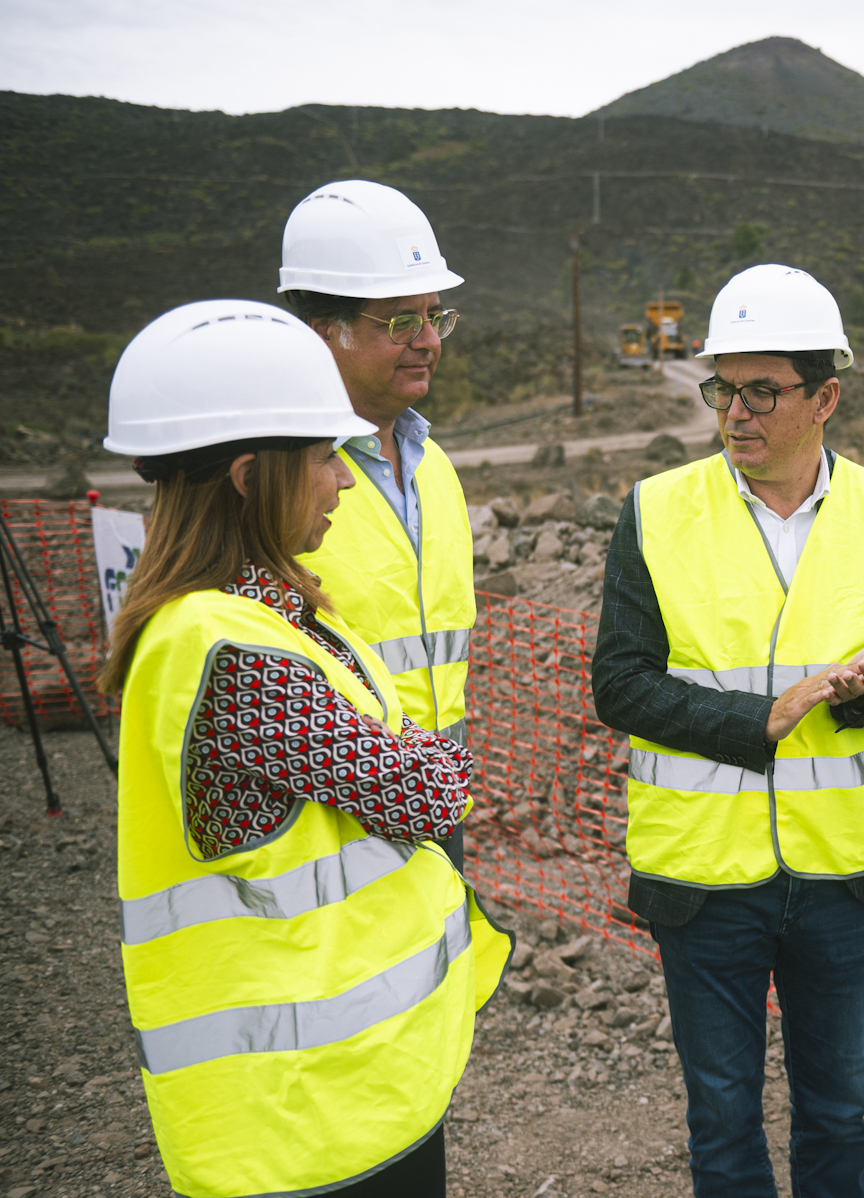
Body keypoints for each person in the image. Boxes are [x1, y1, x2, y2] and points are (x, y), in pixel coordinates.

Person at [100, 300, 510, 1198]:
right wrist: (425, 755)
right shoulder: (235, 650)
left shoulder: (266, 618)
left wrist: (412, 753)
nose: (346, 483)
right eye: (325, 458)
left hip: (345, 1089)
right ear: (251, 476)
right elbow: (430, 791)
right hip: (299, 1113)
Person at [589, 264, 864, 1198]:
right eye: (722, 390)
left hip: (840, 874)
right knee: (722, 1118)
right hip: (702, 878)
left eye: (761, 391)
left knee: (837, 1111)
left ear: (825, 397)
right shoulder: (657, 511)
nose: (735, 413)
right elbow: (619, 684)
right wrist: (762, 719)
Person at [279, 180, 476, 867]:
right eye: (399, 322)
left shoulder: (436, 469)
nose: (427, 341)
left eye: (433, 316)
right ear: (321, 335)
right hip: (322, 821)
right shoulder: (272, 487)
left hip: (434, 801)